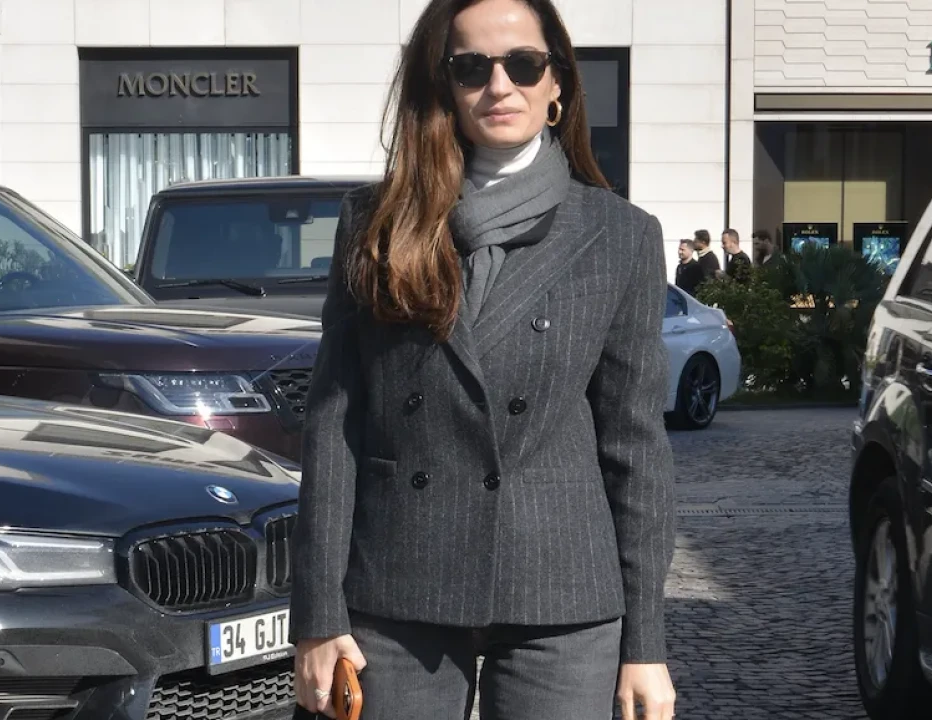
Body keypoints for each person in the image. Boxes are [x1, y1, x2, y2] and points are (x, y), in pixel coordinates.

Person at [289, 1, 678, 719]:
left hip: (560, 584)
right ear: (443, 83)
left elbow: (635, 447)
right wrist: (316, 615)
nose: (500, 85)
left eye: (523, 64)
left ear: (557, 83)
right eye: (472, 67)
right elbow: (335, 426)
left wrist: (645, 644)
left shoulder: (620, 235)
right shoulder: (376, 222)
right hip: (398, 575)